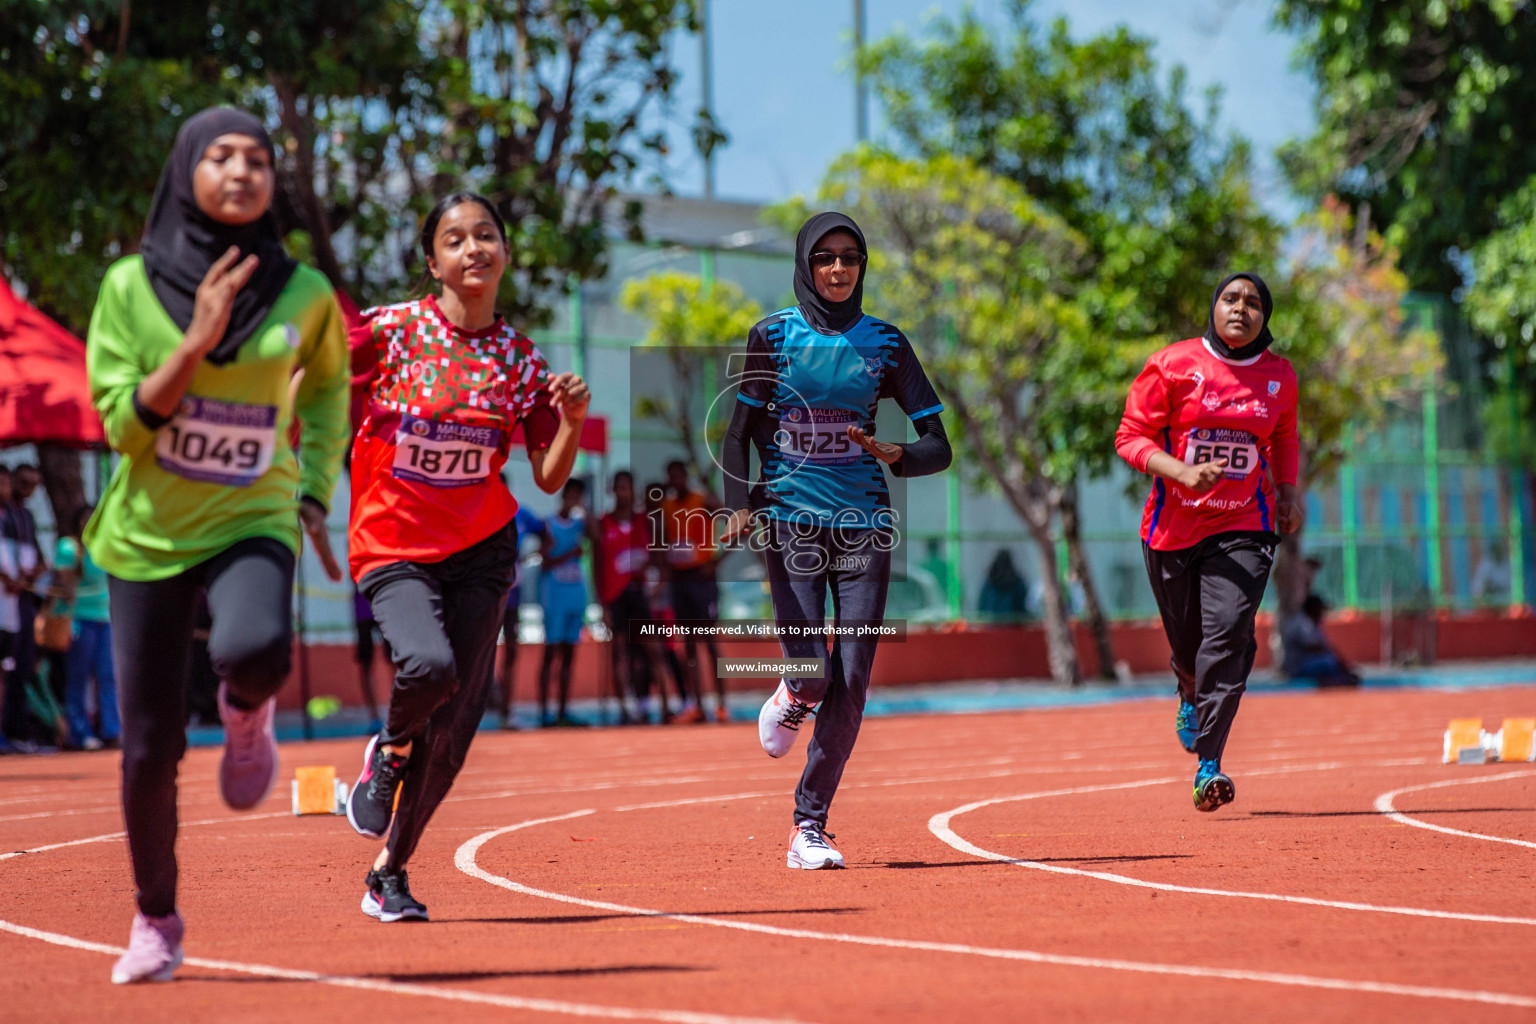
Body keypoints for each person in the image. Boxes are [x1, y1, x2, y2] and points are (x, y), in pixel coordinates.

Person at [84, 106, 350, 982]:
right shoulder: (128, 286)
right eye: (222, 157)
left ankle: (247, 715)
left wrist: (312, 490)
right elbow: (124, 427)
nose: (242, 172)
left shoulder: (304, 293)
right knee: (149, 748)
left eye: (258, 159)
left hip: (252, 513)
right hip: (148, 534)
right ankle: (155, 919)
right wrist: (197, 339)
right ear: (187, 169)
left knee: (256, 649)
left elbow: (325, 397)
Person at [344, 191, 588, 922]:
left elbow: (548, 475)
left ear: (505, 253)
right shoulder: (387, 332)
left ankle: (390, 870)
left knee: (454, 728)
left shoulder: (518, 358)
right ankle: (387, 751)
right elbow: (321, 393)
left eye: (488, 234)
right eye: (456, 238)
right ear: (433, 261)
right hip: (394, 544)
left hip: (483, 549)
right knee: (429, 669)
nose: (474, 248)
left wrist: (570, 422)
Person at [720, 211, 951, 869]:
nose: (839, 269)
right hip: (790, 522)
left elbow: (940, 447)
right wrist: (738, 506)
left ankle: (808, 826)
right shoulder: (772, 335)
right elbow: (737, 434)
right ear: (805, 264)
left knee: (852, 680)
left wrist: (897, 452)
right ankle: (794, 692)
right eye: (826, 258)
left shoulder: (886, 343)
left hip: (864, 529)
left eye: (851, 257)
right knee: (816, 675)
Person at [1115, 271, 1302, 813]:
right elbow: (1130, 436)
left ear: (1266, 318)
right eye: (1230, 298)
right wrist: (1180, 472)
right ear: (1214, 307)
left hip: (1244, 525)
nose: (1241, 309)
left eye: (1254, 303)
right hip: (1171, 530)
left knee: (1227, 639)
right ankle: (1187, 686)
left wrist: (1287, 494)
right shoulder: (1173, 364)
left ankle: (1209, 764)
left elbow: (1285, 436)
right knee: (1190, 647)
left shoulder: (1278, 376)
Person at [594, 470, 686, 724]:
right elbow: (597, 564)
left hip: (639, 594)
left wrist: (658, 582)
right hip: (615, 596)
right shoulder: (603, 523)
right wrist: (601, 603)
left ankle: (666, 706)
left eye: (628, 487)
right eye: (619, 487)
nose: (624, 492)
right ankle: (625, 709)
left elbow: (659, 555)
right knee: (620, 652)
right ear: (612, 490)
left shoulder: (644, 521)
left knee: (654, 649)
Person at [660, 460, 725, 722]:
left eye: (679, 476)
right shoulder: (666, 506)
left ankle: (721, 704)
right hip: (679, 578)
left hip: (702, 578)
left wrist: (718, 560)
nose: (676, 481)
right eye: (671, 477)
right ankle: (697, 704)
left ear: (685, 476)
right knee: (688, 645)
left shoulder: (701, 501)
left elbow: (730, 520)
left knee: (709, 643)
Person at [56, 506, 119, 750]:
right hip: (78, 620)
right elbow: (63, 582)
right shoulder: (69, 547)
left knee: (108, 677)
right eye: (85, 519)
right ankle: (79, 734)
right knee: (78, 678)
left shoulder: (107, 546)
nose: (89, 523)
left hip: (105, 619)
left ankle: (112, 731)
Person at [538, 478, 591, 726]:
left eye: (578, 497)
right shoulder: (548, 525)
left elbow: (598, 536)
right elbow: (544, 561)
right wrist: (570, 554)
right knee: (551, 654)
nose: (573, 500)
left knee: (570, 655)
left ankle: (562, 711)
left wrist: (587, 511)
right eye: (570, 495)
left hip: (575, 597)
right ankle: (544, 711)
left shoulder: (582, 525)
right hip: (554, 598)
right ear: (563, 496)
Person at [1, 463, 47, 746]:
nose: (27, 490)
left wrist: (31, 575)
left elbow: (39, 559)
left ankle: (16, 732)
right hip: (6, 602)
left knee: (19, 668)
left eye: (34, 485)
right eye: (22, 482)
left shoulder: (25, 517)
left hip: (19, 606)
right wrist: (10, 579)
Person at [492, 503, 544, 729]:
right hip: (485, 594)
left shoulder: (519, 513)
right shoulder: (476, 509)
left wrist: (532, 556)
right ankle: (482, 700)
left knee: (511, 650)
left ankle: (506, 710)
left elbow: (546, 532)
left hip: (512, 594)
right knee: (478, 651)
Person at [1281, 594, 1360, 687]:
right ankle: (1337, 682)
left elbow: (1324, 646)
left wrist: (1341, 662)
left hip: (1307, 662)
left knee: (1330, 660)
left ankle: (1340, 679)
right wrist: (1335, 658)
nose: (1322, 613)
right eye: (1320, 609)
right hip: (1296, 666)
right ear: (1313, 608)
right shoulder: (1302, 623)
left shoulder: (1313, 623)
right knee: (1328, 662)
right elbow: (1314, 647)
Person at [977, 549, 1029, 623]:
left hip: (992, 627)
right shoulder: (1017, 582)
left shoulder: (989, 582)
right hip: (1011, 628)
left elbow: (981, 607)